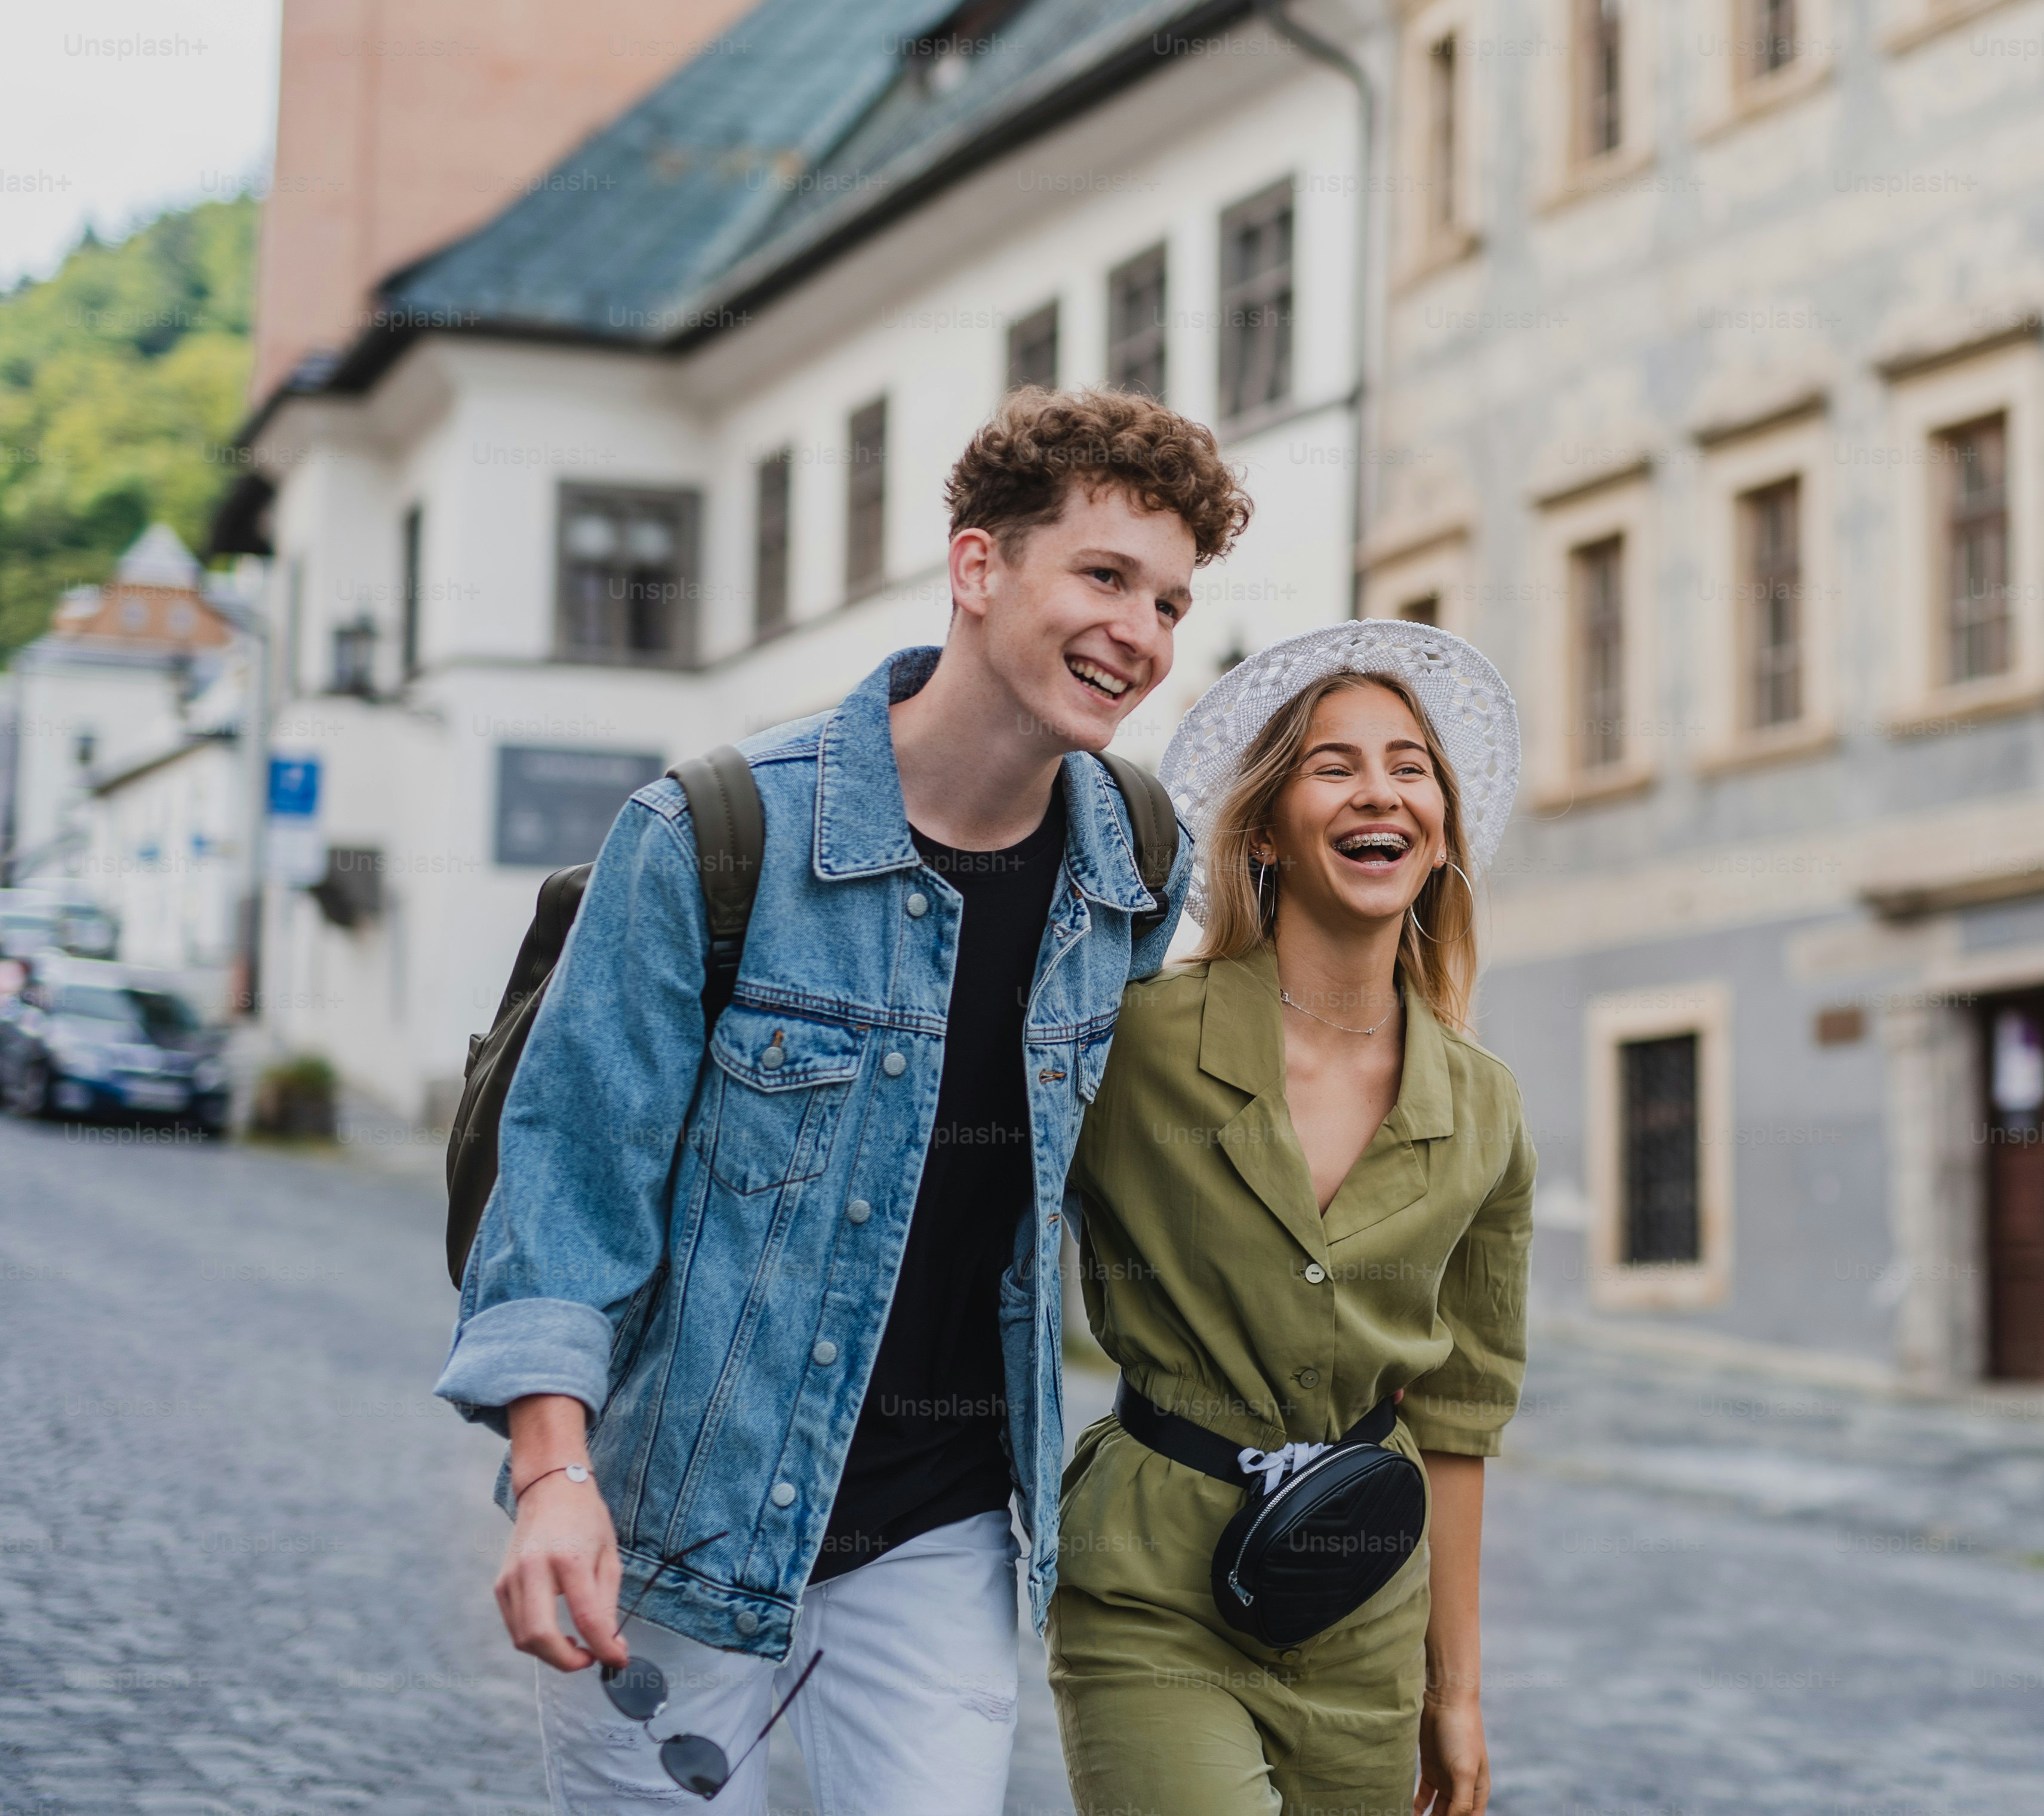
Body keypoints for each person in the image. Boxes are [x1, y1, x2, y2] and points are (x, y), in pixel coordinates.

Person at [431, 387, 1252, 1813]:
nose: (1142, 633)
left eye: (1172, 603)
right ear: (978, 567)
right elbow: (569, 1184)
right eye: (1105, 576)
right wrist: (553, 1475)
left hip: (944, 1524)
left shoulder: (1135, 854)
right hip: (679, 1519)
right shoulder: (712, 834)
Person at [1049, 621, 1535, 1816]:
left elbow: (1461, 1414)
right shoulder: (1135, 1041)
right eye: (1335, 765)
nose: (1382, 791)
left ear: (1439, 832)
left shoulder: (1481, 1107)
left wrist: (1454, 1688)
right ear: (1263, 826)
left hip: (1363, 1605)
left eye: (1410, 766)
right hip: (1151, 1592)